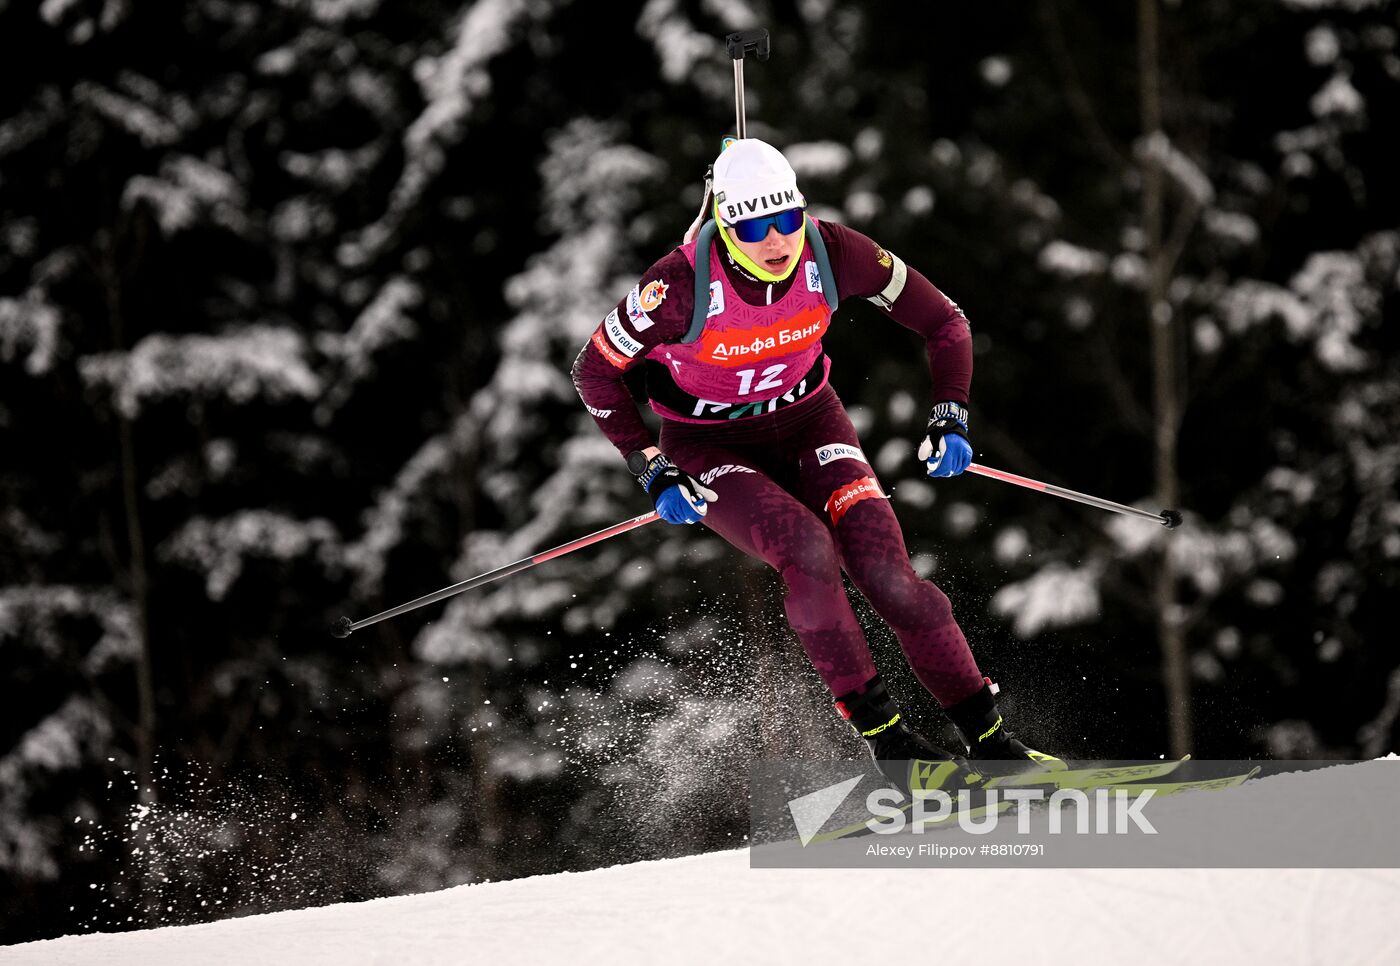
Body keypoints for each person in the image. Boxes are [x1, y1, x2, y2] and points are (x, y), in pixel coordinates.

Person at [571, 139, 1054, 789]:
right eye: (752, 226)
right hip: (710, 446)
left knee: (888, 575)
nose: (775, 240)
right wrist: (650, 465)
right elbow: (595, 371)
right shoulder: (677, 288)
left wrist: (951, 413)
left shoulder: (835, 252)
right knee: (806, 549)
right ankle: (893, 748)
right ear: (723, 223)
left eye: (786, 219)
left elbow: (946, 323)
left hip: (811, 421)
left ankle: (993, 744)